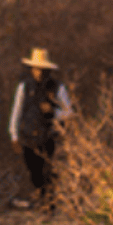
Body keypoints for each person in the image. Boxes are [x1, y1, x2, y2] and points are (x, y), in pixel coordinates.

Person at [9, 47, 73, 209]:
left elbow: (68, 112)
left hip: (49, 136)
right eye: (36, 68)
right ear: (31, 69)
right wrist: (14, 136)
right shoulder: (24, 86)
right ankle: (41, 201)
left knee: (48, 171)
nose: (38, 72)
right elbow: (16, 111)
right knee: (34, 171)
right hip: (28, 136)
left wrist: (53, 113)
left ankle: (48, 204)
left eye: (42, 69)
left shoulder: (57, 87)